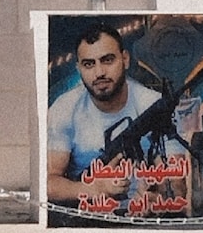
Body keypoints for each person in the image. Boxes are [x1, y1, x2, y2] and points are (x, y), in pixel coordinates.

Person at [46, 22, 187, 223]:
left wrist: (156, 197)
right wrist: (91, 189)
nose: (99, 72)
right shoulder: (65, 109)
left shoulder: (154, 106)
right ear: (79, 68)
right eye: (89, 64)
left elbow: (177, 184)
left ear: (125, 59)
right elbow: (49, 182)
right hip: (85, 220)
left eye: (107, 60)